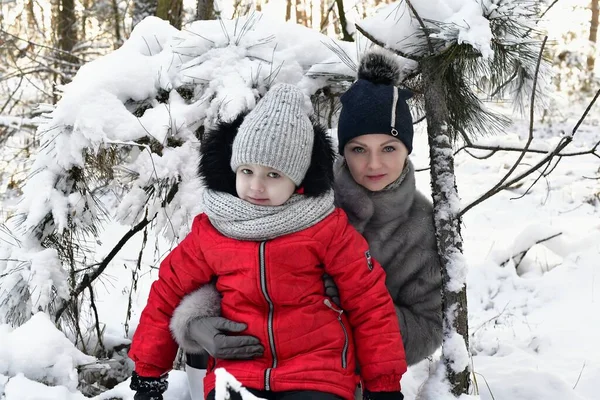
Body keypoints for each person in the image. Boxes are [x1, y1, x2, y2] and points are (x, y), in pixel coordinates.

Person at [173, 49, 443, 384]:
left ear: (407, 150)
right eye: (359, 149)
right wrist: (197, 321)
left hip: (340, 377)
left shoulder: (421, 224)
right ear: (343, 150)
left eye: (389, 148)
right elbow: (234, 265)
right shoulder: (299, 191)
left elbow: (428, 326)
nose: (374, 165)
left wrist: (343, 315)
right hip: (255, 362)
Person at [128, 83, 407, 400]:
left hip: (316, 371)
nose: (256, 186)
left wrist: (383, 385)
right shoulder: (214, 231)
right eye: (247, 170)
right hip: (237, 370)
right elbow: (167, 291)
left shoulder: (326, 229)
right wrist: (148, 371)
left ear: (298, 178)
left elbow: (369, 302)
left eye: (273, 175)